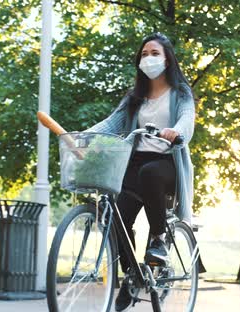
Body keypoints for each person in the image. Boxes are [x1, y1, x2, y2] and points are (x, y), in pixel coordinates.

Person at [86, 33, 196, 311]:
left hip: (167, 163)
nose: (149, 58)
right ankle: (132, 275)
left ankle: (158, 240)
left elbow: (187, 118)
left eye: (155, 53)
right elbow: (112, 123)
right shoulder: (135, 97)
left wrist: (177, 132)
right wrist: (83, 137)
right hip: (135, 164)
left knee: (150, 173)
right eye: (144, 54)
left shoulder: (180, 92)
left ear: (167, 58)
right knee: (115, 216)